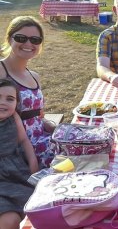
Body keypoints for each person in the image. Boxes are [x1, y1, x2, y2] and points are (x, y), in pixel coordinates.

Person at [0, 16, 56, 168]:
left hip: (42, 138)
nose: (28, 44)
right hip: (17, 150)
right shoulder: (1, 72)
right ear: (9, 39)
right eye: (21, 38)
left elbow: (37, 115)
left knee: (84, 144)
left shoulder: (34, 76)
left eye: (35, 40)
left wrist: (48, 124)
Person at [0, 78, 38, 229]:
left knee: (35, 205)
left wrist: (33, 163)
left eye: (10, 99)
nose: (3, 102)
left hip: (18, 172)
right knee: (8, 220)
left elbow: (23, 141)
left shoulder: (13, 117)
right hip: (2, 182)